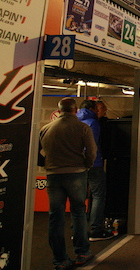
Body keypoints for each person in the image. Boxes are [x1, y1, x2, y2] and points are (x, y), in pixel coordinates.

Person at [40, 98, 97, 269]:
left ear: (59, 110)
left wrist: (49, 166)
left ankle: (60, 260)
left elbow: (38, 153)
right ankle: (82, 252)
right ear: (75, 109)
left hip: (53, 175)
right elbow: (92, 151)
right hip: (76, 174)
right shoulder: (82, 128)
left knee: (55, 217)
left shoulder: (45, 128)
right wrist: (86, 165)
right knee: (78, 212)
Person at [77, 100, 115, 242]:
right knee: (98, 196)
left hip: (77, 166)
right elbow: (91, 146)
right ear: (93, 109)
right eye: (100, 109)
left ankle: (78, 231)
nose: (102, 112)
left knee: (79, 198)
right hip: (93, 165)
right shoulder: (93, 123)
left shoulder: (75, 121)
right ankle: (96, 230)